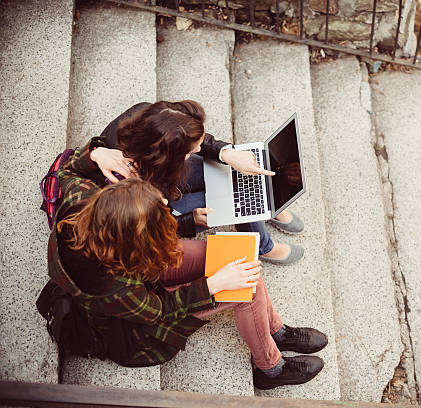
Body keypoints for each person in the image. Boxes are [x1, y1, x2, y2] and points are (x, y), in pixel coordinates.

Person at [48, 146, 327, 388]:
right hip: (137, 327)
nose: (168, 203)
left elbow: (68, 171)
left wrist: (96, 153)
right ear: (136, 239)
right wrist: (213, 286)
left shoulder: (82, 199)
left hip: (139, 266)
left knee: (239, 257)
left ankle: (275, 331)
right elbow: (159, 310)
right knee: (246, 286)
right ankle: (271, 369)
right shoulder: (112, 288)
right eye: (159, 216)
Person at [86, 100, 304, 264]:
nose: (199, 149)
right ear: (170, 157)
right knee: (228, 200)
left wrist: (226, 153)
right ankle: (263, 244)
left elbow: (191, 137)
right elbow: (151, 229)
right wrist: (191, 220)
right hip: (156, 206)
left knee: (228, 171)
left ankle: (263, 201)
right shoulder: (126, 185)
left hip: (163, 178)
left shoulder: (151, 119)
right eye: (191, 151)